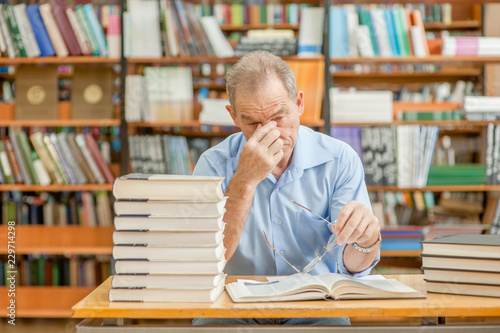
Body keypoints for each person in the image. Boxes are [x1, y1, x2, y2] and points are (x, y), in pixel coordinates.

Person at [192, 51, 381, 326]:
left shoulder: (340, 160)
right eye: (253, 123)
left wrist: (366, 241)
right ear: (233, 116)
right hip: (233, 309)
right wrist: (244, 179)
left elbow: (351, 266)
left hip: (317, 310)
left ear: (299, 103)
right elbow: (205, 262)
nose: (271, 133)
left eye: (279, 117)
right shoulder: (213, 164)